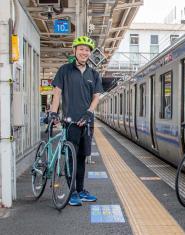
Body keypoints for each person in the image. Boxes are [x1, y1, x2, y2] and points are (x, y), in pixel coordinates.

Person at [49, 36, 104, 206]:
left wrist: (89, 113)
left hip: (86, 123)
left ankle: (80, 190)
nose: (84, 52)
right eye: (81, 49)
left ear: (89, 53)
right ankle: (71, 192)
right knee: (71, 158)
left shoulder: (93, 74)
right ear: (75, 51)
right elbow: (57, 94)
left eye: (87, 50)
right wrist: (53, 112)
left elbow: (96, 97)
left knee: (81, 157)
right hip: (71, 122)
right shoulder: (64, 70)